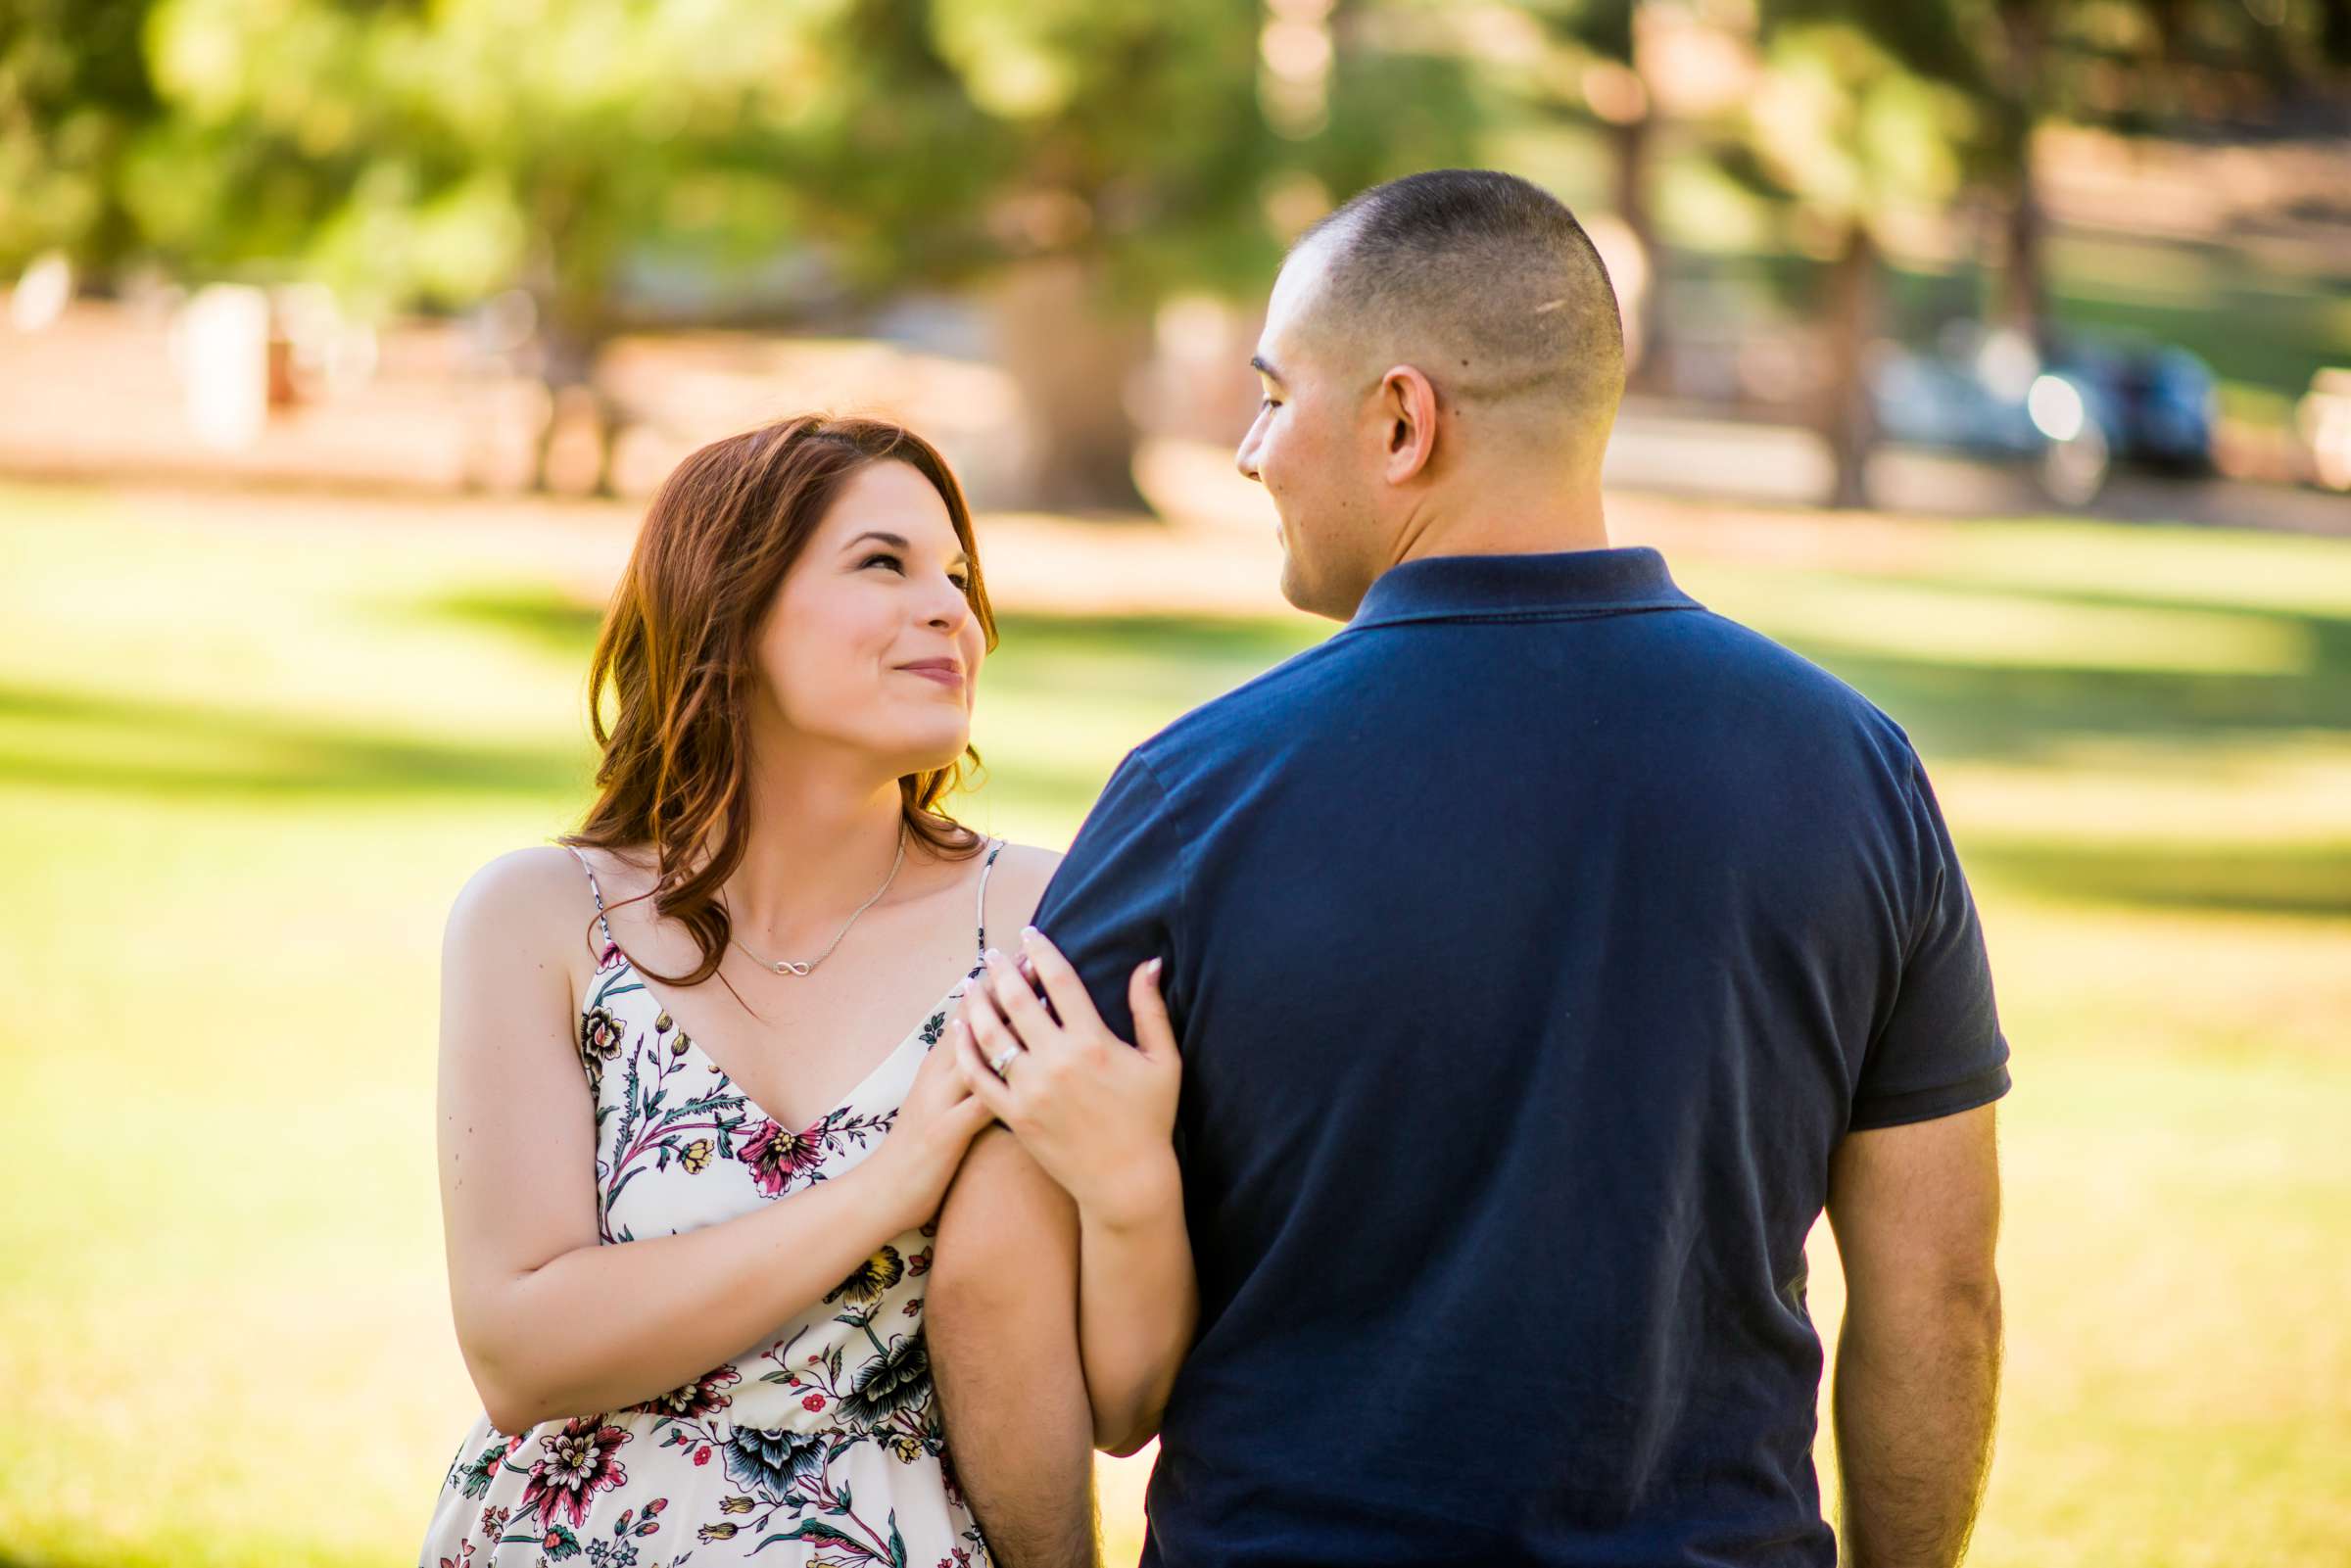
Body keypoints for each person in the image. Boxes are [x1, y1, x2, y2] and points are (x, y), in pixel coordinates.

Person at [929, 169, 2010, 1568]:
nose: (1252, 452)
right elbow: (1941, 1290)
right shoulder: (1859, 774)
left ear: (1400, 420)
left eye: (1273, 397)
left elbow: (990, 1278)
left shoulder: (1199, 794)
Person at [419, 415, 1086, 1567]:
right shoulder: (540, 917)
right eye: (885, 561)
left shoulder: (1036, 921)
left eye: (961, 577)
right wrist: (893, 1180)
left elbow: (1109, 1376)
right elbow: (519, 1350)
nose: (953, 612)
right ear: (730, 616)